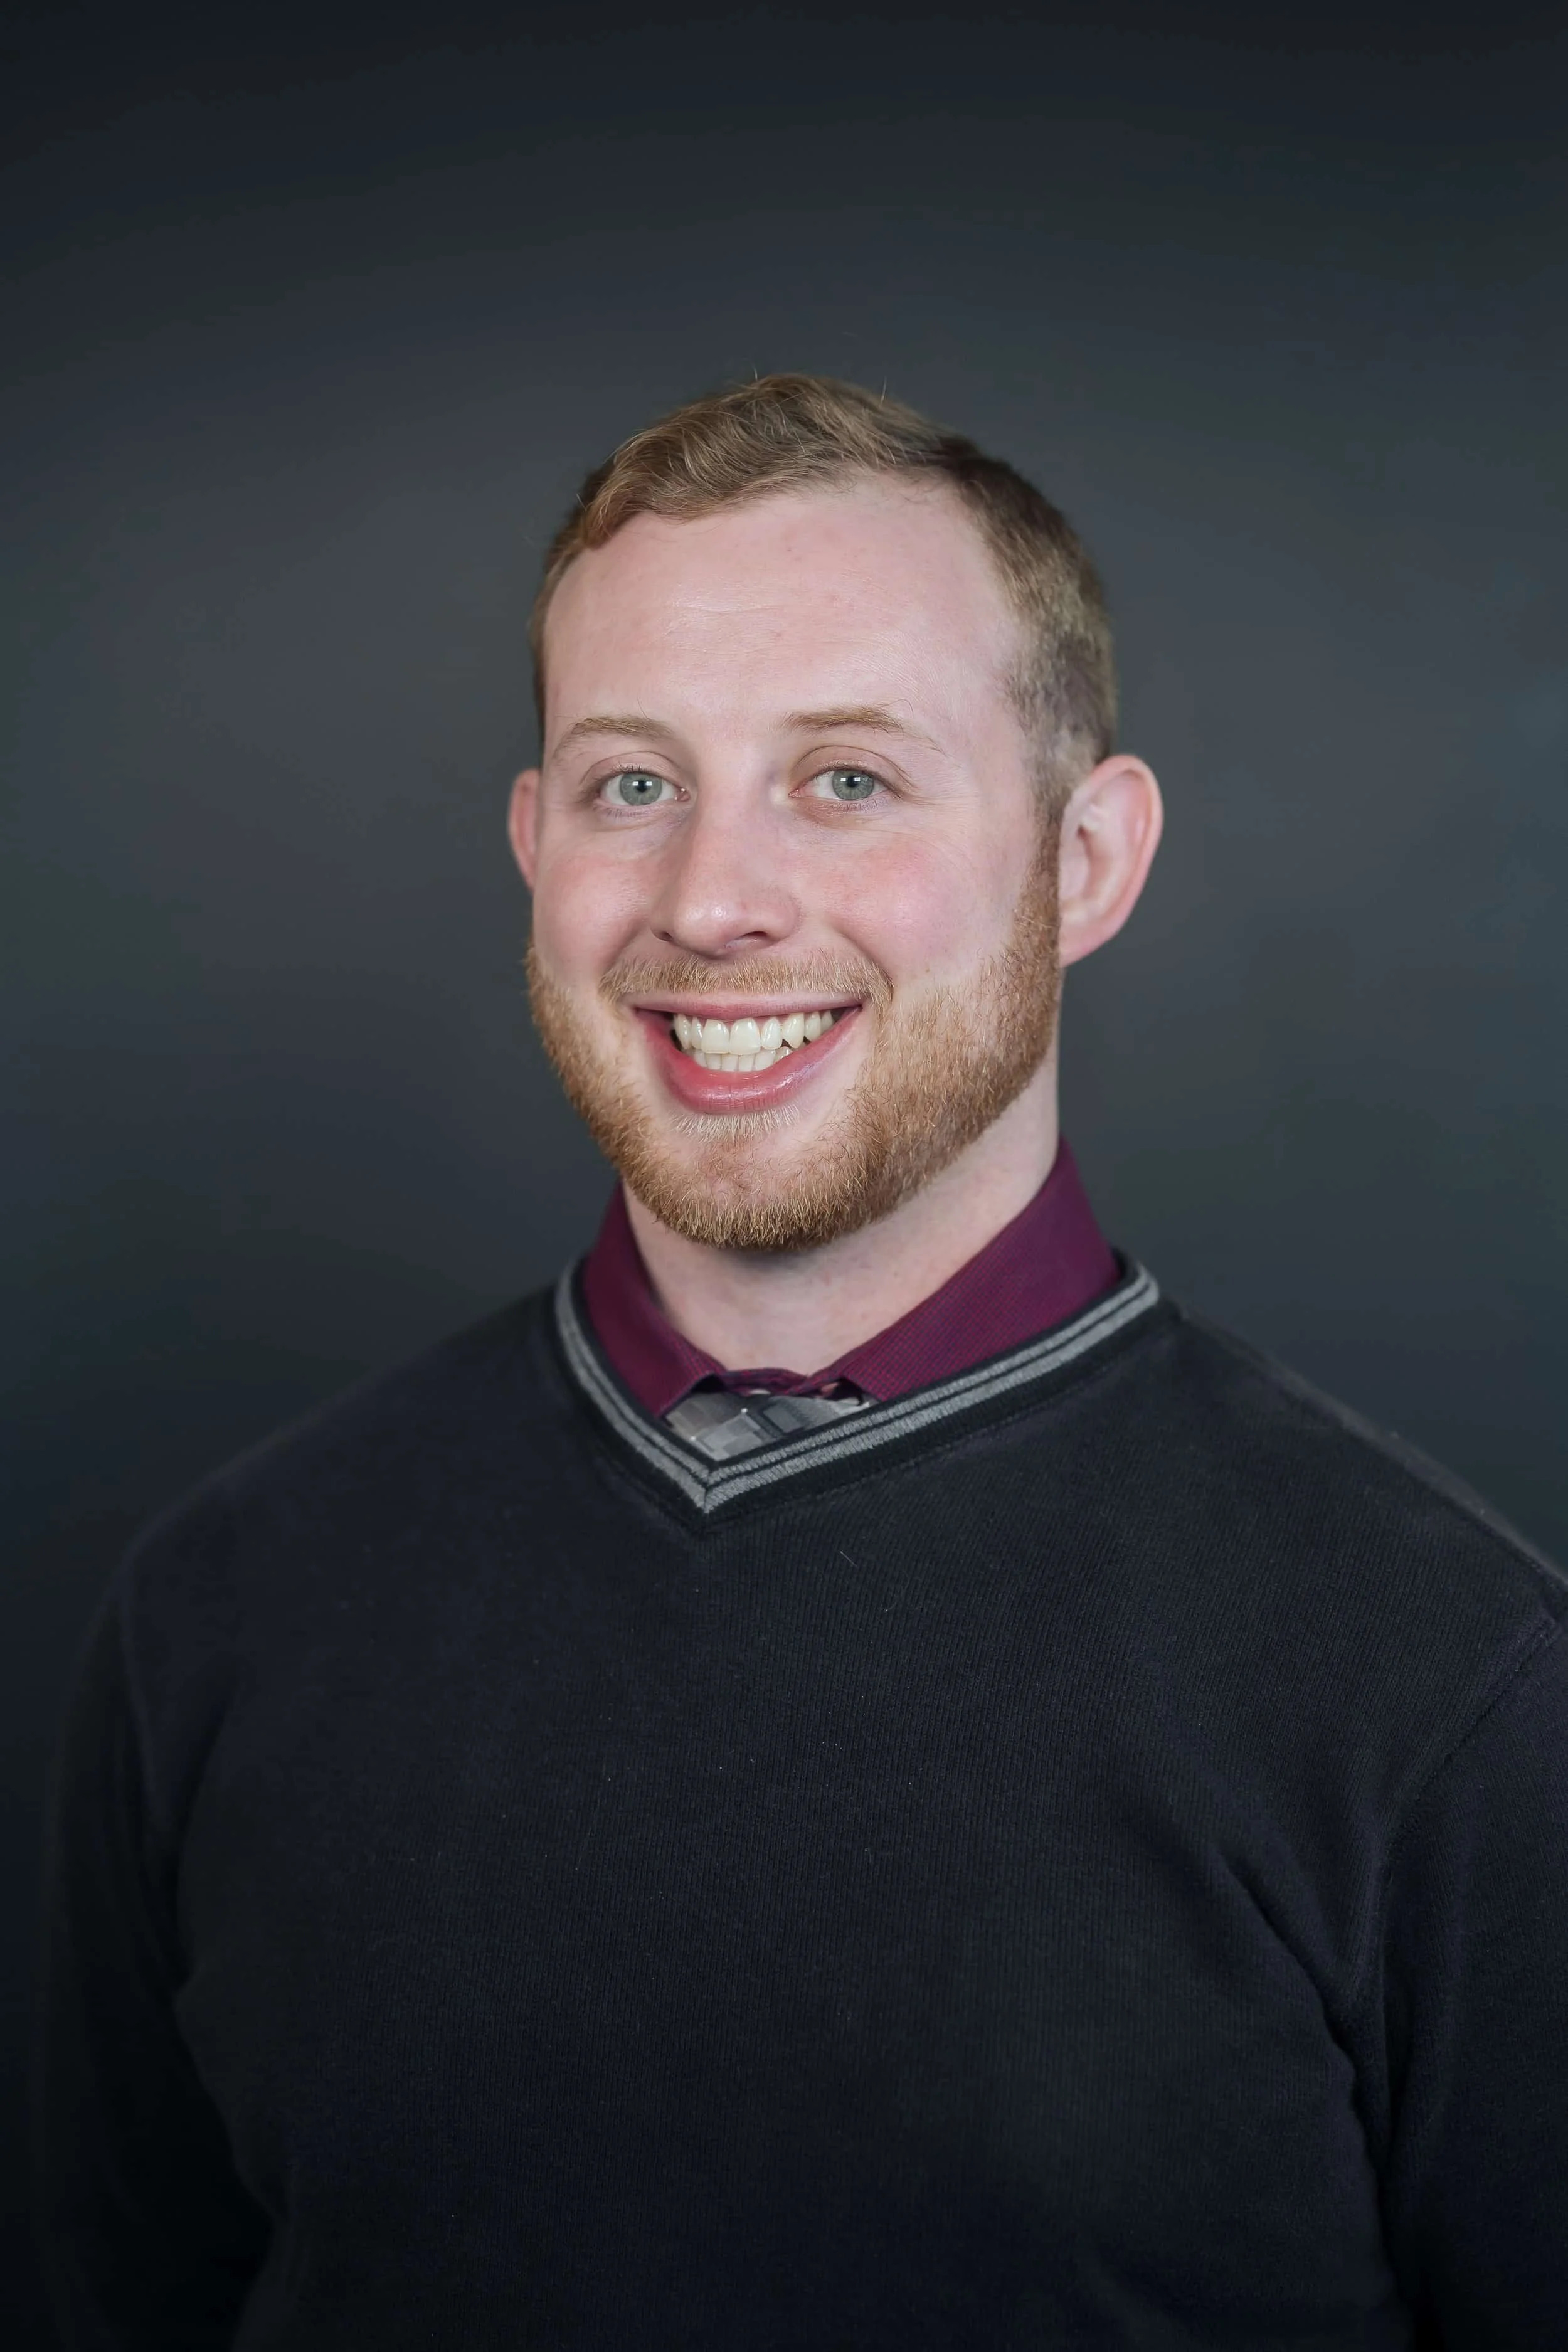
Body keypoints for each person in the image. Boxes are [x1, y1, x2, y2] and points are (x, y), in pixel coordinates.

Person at [37, 374, 1568, 2349]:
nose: (709, 901)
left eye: (846, 776)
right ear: (531, 843)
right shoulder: (219, 1614)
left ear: (1084, 860)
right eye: (630, 783)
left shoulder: (1444, 1681)